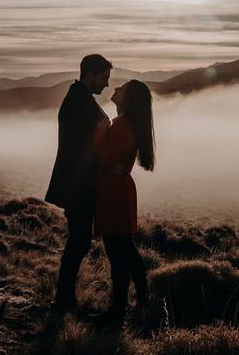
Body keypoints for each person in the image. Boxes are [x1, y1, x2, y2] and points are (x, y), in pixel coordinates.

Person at [45, 54, 112, 312]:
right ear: (90, 74)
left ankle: (64, 297)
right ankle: (63, 298)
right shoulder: (79, 101)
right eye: (104, 78)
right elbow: (88, 144)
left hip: (79, 182)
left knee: (79, 240)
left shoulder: (79, 98)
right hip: (79, 184)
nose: (106, 84)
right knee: (79, 241)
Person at [93, 79, 155, 327]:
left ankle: (123, 307)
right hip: (115, 189)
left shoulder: (122, 125)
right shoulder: (126, 123)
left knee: (120, 251)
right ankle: (132, 304)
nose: (115, 89)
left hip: (114, 191)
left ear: (127, 98)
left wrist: (99, 130)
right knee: (122, 250)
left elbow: (106, 158)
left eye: (121, 88)